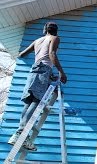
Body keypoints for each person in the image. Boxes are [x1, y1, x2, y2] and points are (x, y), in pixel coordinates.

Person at [8, 22, 67, 151]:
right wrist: (61, 72)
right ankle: (20, 134)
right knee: (36, 101)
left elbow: (22, 54)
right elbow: (52, 54)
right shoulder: (54, 38)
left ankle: (19, 134)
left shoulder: (37, 41)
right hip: (44, 69)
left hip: (34, 70)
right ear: (55, 31)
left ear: (45, 30)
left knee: (29, 101)